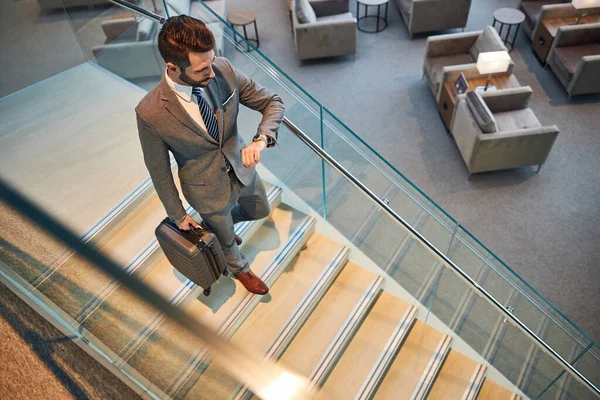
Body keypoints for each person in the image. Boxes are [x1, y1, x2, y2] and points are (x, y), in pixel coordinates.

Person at [135, 15, 284, 295]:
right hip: (205, 190)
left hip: (242, 169)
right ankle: (240, 269)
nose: (212, 73)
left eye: (212, 62)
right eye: (202, 69)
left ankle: (219, 229)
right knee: (227, 241)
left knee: (260, 209)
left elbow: (272, 102)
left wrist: (261, 140)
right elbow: (158, 169)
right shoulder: (150, 113)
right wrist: (178, 215)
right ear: (173, 67)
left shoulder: (222, 69)